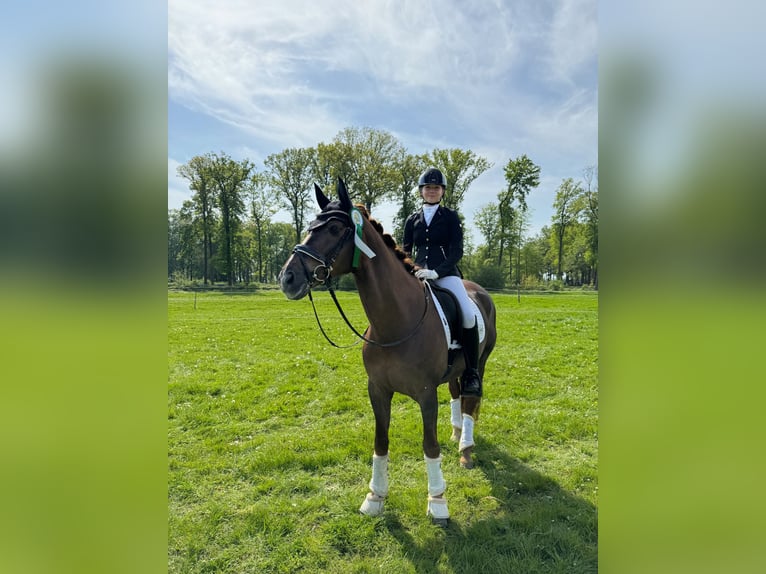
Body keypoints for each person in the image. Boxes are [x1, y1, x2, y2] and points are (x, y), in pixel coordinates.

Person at [402, 167, 481, 396]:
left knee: (467, 313)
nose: (432, 191)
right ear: (421, 191)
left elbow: (457, 251)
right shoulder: (412, 219)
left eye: (436, 188)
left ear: (442, 191)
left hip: (446, 274)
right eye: (428, 187)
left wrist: (437, 272)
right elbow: (405, 250)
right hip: (417, 274)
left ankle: (471, 373)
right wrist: (410, 269)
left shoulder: (450, 217)